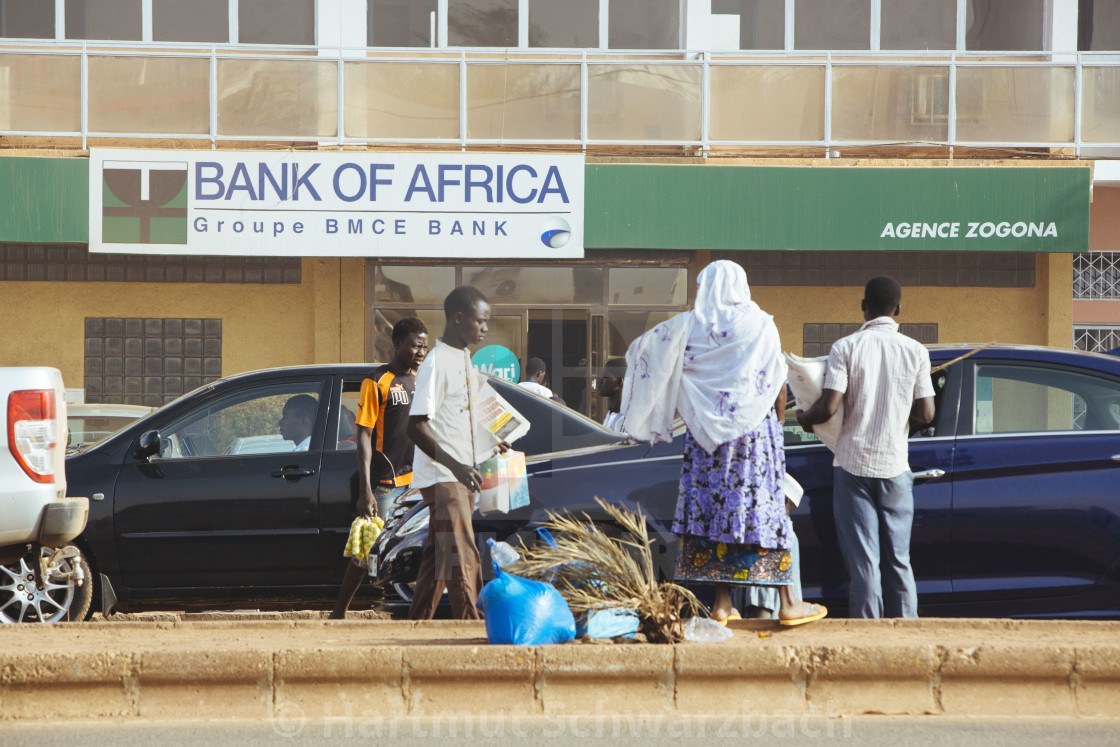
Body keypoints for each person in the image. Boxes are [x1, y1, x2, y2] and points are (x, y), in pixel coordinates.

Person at [622, 260, 826, 626]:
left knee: (713, 516)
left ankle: (721, 604)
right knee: (762, 512)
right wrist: (776, 429)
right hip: (753, 441)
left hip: (706, 442)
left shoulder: (688, 325)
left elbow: (642, 350)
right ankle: (788, 602)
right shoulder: (761, 324)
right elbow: (776, 383)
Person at [796, 276, 935, 619]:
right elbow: (927, 412)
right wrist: (900, 426)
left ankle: (868, 638)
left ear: (863, 306)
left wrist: (802, 418)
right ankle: (906, 637)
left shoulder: (845, 347)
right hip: (895, 466)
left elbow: (828, 408)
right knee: (898, 561)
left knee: (864, 563)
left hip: (852, 465)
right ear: (898, 309)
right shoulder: (916, 351)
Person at [329, 316, 428, 620]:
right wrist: (366, 490)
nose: (421, 352)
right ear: (397, 344)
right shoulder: (377, 380)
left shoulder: (423, 381)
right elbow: (364, 434)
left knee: (424, 546)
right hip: (386, 484)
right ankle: (340, 611)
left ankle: (421, 612)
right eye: (415, 345)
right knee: (367, 548)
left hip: (420, 482)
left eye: (425, 346)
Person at [406, 285, 494, 620]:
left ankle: (417, 626)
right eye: (480, 321)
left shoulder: (464, 359)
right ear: (459, 319)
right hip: (445, 477)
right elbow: (415, 426)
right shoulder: (438, 362)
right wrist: (457, 467)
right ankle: (469, 628)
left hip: (459, 475)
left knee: (441, 560)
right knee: (463, 557)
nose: (485, 328)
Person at [598, 358, 627, 433]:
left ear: (620, 381)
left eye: (606, 377)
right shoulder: (611, 413)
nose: (600, 381)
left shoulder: (630, 418)